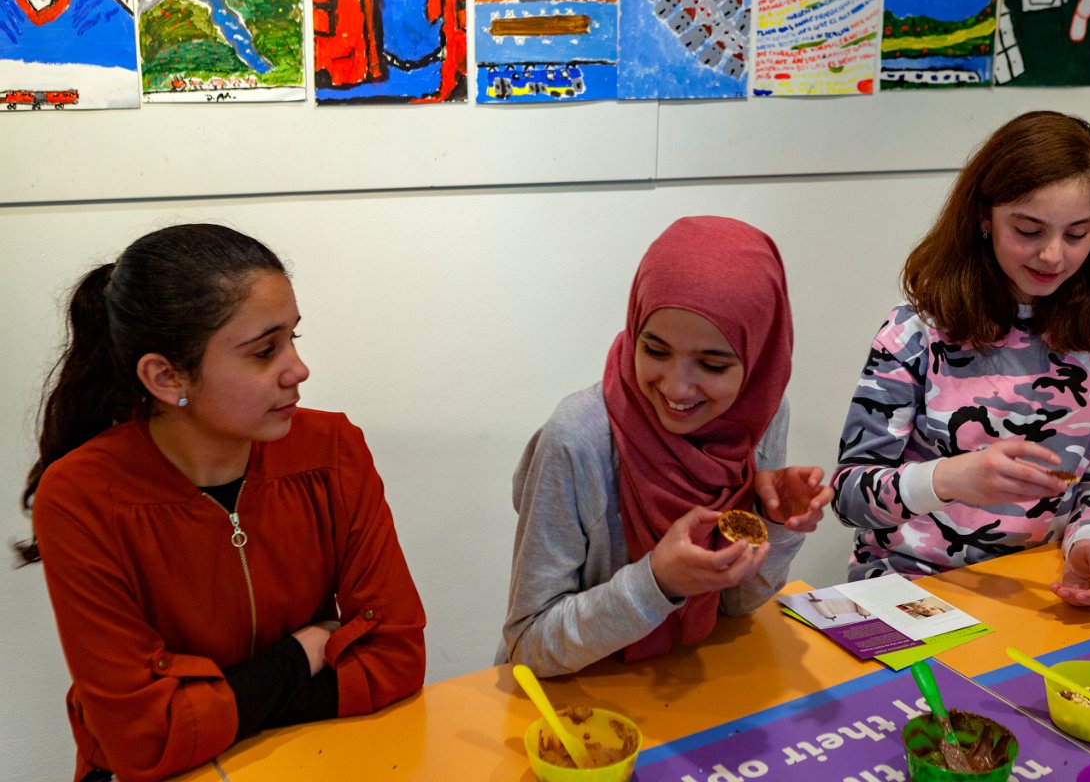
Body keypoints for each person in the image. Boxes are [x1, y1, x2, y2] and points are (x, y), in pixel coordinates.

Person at [16, 224, 426, 782]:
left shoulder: (333, 452)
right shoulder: (80, 497)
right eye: (264, 351)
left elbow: (396, 658)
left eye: (293, 339)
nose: (297, 370)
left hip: (315, 758)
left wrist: (211, 706)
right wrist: (303, 653)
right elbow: (143, 739)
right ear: (165, 376)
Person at [497, 215, 833, 677]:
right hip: (573, 705)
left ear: (759, 363)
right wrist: (655, 582)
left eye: (713, 365)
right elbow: (527, 645)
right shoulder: (578, 439)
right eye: (654, 351)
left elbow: (736, 605)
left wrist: (773, 525)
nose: (677, 388)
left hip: (690, 691)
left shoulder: (760, 416)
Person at [831, 110, 1090, 607]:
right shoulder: (916, 334)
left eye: (1078, 233)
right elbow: (848, 497)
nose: (1053, 256)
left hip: (1035, 590)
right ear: (983, 217)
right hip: (907, 592)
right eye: (1029, 230)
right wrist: (951, 479)